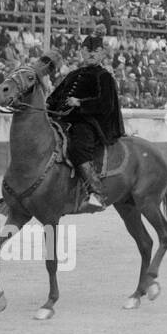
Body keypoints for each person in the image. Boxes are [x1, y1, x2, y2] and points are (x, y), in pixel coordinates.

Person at [43, 35, 124, 214]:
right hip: (61, 120)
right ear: (82, 52)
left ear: (102, 53)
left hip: (89, 123)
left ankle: (96, 192)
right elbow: (54, 98)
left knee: (78, 147)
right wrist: (45, 106)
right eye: (87, 51)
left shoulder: (104, 77)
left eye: (95, 51)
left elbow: (106, 105)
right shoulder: (72, 74)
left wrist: (80, 103)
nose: (91, 54)